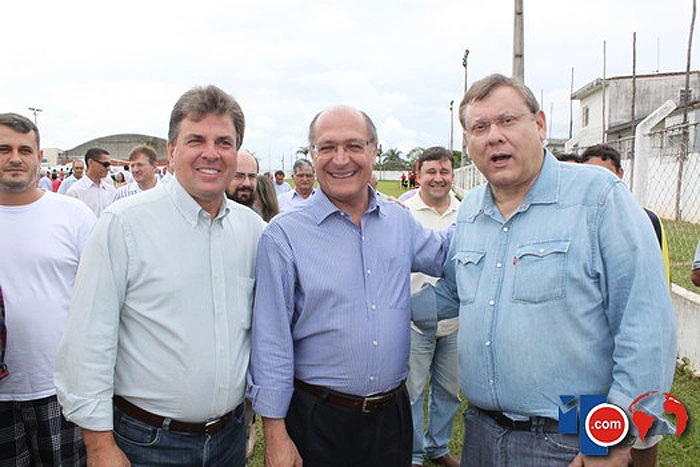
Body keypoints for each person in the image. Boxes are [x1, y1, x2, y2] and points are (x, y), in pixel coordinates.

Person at [418, 73, 676, 466]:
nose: (494, 136)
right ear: (467, 143)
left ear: (539, 126)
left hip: (570, 436)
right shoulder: (470, 209)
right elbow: (453, 295)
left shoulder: (599, 197)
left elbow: (646, 324)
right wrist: (374, 304)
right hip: (483, 436)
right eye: (479, 127)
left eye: (507, 121)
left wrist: (612, 436)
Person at [54, 85, 266, 467]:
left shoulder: (254, 231)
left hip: (229, 440)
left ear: (236, 152)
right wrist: (100, 445)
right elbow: (88, 340)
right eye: (195, 140)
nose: (211, 153)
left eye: (224, 142)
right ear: (171, 150)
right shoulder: (123, 225)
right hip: (147, 443)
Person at [248, 105, 449, 466]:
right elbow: (271, 341)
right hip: (318, 421)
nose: (340, 159)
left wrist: (494, 203)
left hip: (391, 419)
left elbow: (448, 255)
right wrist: (275, 434)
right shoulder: (284, 236)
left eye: (354, 146)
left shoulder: (398, 223)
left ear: (374, 150)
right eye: (327, 148)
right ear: (312, 155)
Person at [0, 112, 96, 466]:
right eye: (3, 148)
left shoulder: (74, 216)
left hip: (59, 390)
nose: (14, 158)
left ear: (39, 157)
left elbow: (101, 303)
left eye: (25, 150)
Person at [404, 147, 461, 467]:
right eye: (431, 172)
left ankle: (437, 447)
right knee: (413, 391)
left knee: (449, 390)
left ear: (452, 174)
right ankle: (413, 453)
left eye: (444, 172)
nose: (438, 179)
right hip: (413, 323)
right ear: (418, 173)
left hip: (454, 323)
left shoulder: (466, 213)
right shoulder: (404, 212)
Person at [580, 143, 670, 286]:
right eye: (590, 174)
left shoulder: (647, 219)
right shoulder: (574, 221)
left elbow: (660, 274)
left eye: (606, 174)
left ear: (620, 174)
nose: (598, 181)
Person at [66, 148, 116, 217]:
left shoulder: (111, 190)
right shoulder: (75, 192)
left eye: (109, 165)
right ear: (91, 162)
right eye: (105, 164)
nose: (108, 168)